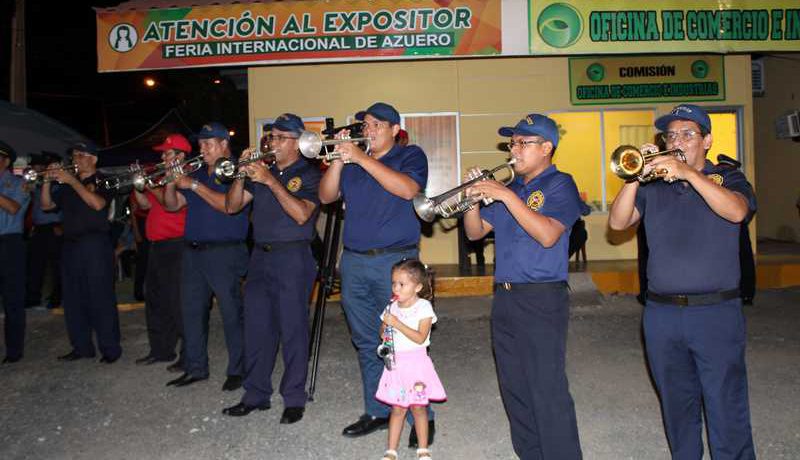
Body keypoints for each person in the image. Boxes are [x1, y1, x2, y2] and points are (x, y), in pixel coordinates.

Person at [608, 104, 756, 459]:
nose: (676, 141)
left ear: (707, 141)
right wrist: (635, 177)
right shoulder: (652, 185)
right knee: (677, 406)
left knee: (725, 404)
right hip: (662, 313)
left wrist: (689, 173)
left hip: (716, 311)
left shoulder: (728, 178)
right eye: (670, 135)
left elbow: (737, 212)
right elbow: (617, 223)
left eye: (687, 134)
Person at [463, 113, 583, 460]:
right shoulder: (512, 189)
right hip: (505, 296)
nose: (513, 150)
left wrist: (503, 194)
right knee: (514, 387)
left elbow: (547, 235)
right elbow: (474, 232)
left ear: (546, 148)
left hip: (541, 297)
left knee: (547, 388)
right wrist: (472, 199)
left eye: (522, 143)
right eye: (512, 143)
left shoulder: (560, 184)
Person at [318, 102, 432, 445]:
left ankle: (422, 416)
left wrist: (360, 157)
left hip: (395, 262)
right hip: (355, 262)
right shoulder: (352, 162)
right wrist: (340, 160)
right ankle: (378, 410)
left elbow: (408, 190)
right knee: (368, 342)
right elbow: (326, 196)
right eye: (365, 124)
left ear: (395, 129)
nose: (368, 129)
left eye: (376, 124)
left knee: (406, 344)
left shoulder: (409, 155)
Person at [222, 113, 320, 424]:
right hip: (260, 257)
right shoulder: (264, 171)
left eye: (280, 137)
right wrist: (241, 174)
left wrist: (270, 181)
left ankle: (294, 398)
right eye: (271, 136)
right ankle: (255, 394)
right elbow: (231, 206)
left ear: (297, 142)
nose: (272, 142)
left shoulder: (309, 173)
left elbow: (301, 214)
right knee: (257, 328)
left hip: (293, 257)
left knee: (293, 329)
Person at [163, 123, 249, 391]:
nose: (202, 149)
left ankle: (238, 370)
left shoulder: (236, 171)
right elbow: (173, 206)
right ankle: (195, 367)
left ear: (224, 144)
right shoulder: (198, 172)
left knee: (231, 313)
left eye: (208, 144)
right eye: (200, 144)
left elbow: (228, 206)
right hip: (193, 251)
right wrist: (171, 181)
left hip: (225, 252)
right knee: (191, 312)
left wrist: (193, 184)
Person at [41, 141, 122, 364]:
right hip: (70, 245)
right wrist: (46, 181)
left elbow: (97, 204)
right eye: (74, 155)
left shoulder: (104, 180)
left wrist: (73, 181)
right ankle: (81, 346)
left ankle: (110, 349)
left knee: (100, 296)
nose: (75, 159)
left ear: (93, 159)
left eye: (80, 155)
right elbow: (46, 206)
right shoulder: (68, 184)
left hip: (95, 244)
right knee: (73, 298)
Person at [376, 259, 445, 460]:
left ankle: (423, 449)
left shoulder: (423, 308)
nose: (396, 288)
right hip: (396, 366)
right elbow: (382, 333)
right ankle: (391, 450)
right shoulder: (392, 307)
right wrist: (385, 326)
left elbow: (420, 337)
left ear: (418, 287)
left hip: (416, 365)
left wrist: (396, 323)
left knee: (418, 408)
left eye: (402, 284)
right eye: (393, 283)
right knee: (397, 408)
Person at [131, 134, 189, 370]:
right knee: (155, 299)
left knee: (178, 301)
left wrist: (149, 186)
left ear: (181, 156)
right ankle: (161, 350)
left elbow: (169, 204)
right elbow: (145, 205)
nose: (163, 156)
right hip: (157, 245)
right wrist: (138, 186)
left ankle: (188, 355)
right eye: (163, 153)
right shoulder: (161, 177)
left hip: (177, 245)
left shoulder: (185, 177)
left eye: (168, 153)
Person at [0, 140, 31, 363]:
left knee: (12, 299)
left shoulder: (18, 184)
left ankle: (13, 350)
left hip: (9, 244)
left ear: (6, 161)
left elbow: (13, 208)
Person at [717, 154, 757, 305]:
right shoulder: (721, 180)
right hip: (735, 225)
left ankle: (745, 292)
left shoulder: (737, 182)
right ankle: (745, 293)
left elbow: (749, 205)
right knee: (742, 259)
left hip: (736, 225)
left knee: (743, 258)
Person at [25, 152, 63, 310]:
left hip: (54, 227)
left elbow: (60, 206)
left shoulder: (58, 184)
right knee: (35, 264)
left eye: (39, 166)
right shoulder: (36, 184)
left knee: (56, 266)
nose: (36, 168)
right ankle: (32, 298)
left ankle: (56, 299)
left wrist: (61, 225)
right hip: (39, 228)